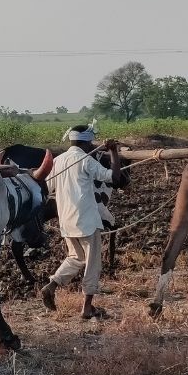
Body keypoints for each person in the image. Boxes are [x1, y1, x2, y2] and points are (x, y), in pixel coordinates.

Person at [40, 123, 124, 319]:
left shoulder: (58, 161)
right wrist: (113, 152)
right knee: (93, 263)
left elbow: (47, 189)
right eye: (91, 141)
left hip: (67, 222)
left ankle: (51, 286)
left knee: (76, 258)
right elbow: (114, 177)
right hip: (86, 221)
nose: (92, 144)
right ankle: (87, 307)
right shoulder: (85, 160)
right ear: (86, 142)